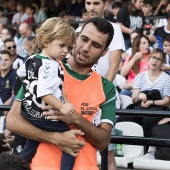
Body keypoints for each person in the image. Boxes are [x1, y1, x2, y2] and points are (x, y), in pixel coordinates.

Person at [7, 17, 116, 170]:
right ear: (77, 37)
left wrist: (76, 119)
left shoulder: (107, 87)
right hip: (42, 165)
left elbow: (103, 141)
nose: (86, 47)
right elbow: (13, 120)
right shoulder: (44, 66)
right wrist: (56, 138)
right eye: (84, 39)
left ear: (104, 52)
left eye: (96, 45)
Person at [16, 17, 76, 170]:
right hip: (44, 115)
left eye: (69, 48)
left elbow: (21, 73)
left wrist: (30, 87)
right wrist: (62, 107)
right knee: (71, 140)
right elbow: (43, 92)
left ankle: (14, 167)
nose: (65, 51)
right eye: (62, 45)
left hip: (29, 114)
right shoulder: (51, 64)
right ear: (46, 42)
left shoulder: (32, 59)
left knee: (30, 144)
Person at [76, 1, 125, 169]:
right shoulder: (78, 30)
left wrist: (100, 95)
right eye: (88, 3)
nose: (91, 7)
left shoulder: (115, 28)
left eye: (96, 3)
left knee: (108, 154)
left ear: (105, 4)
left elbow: (114, 65)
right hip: (79, 98)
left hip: (104, 99)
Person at [125, 48, 170, 138]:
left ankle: (147, 147)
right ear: (148, 59)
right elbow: (134, 98)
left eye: (159, 59)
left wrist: (152, 102)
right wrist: (139, 97)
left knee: (149, 119)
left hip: (158, 108)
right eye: (153, 57)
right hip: (140, 106)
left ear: (162, 62)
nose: (155, 61)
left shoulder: (166, 78)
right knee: (124, 119)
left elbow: (167, 101)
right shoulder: (140, 76)